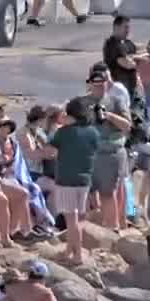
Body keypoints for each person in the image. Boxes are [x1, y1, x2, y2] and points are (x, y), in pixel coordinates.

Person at [43, 98, 101, 266]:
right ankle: (69, 250)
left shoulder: (64, 132)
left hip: (66, 180)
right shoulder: (93, 132)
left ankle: (77, 255)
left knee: (71, 219)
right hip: (85, 180)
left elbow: (49, 151)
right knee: (78, 217)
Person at [86, 65, 134, 231]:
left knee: (111, 190)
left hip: (112, 152)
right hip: (90, 153)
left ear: (107, 83)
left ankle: (116, 224)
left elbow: (127, 125)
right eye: (95, 83)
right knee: (90, 192)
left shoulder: (116, 101)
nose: (99, 86)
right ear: (89, 84)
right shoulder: (82, 103)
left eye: (102, 83)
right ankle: (95, 227)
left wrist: (109, 116)